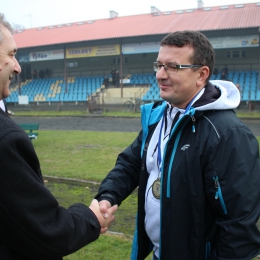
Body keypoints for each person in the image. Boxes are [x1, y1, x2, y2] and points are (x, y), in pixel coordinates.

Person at [95, 30, 260, 259]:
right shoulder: (157, 117)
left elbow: (238, 225)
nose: (161, 75)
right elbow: (130, 164)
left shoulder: (228, 134)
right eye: (159, 65)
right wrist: (107, 196)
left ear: (201, 74)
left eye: (172, 67)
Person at [0, 13, 117, 259]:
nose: (18, 66)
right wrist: (91, 218)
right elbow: (44, 231)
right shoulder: (6, 140)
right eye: (11, 55)